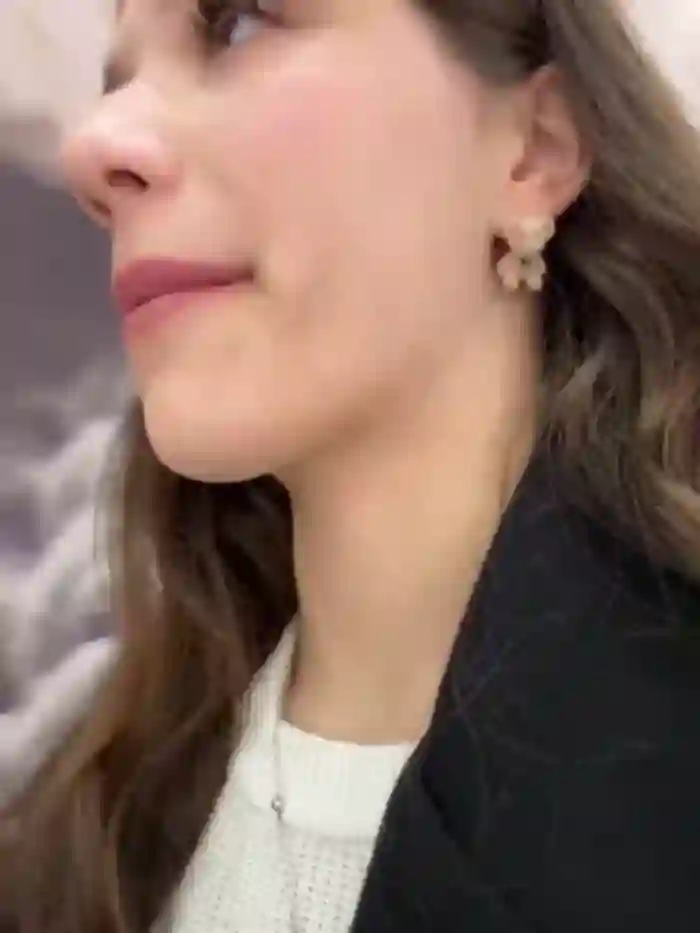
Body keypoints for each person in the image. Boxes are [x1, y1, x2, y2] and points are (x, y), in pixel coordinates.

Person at [2, 0, 700, 931]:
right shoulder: (90, 823)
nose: (94, 146)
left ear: (533, 151)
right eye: (114, 82)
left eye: (236, 24)